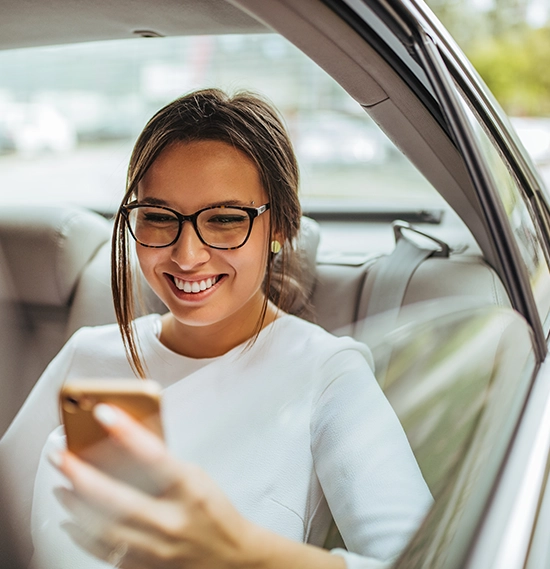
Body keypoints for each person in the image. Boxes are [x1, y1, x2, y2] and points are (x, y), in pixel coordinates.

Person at [0, 88, 432, 569]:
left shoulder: (327, 374)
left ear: (281, 227)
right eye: (159, 218)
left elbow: (424, 562)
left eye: (226, 219)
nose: (187, 255)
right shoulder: (87, 357)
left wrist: (244, 554)